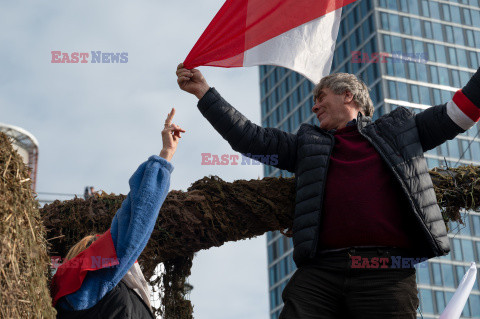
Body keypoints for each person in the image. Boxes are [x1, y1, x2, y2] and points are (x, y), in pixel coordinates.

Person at [176, 62, 480, 318]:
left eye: (321, 97)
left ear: (348, 95)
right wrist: (204, 93)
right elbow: (251, 138)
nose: (314, 105)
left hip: (386, 271)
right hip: (321, 271)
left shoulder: (400, 130)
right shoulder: (306, 144)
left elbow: (458, 113)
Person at [50, 108, 185, 319]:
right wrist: (165, 156)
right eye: (99, 244)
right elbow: (135, 223)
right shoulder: (94, 281)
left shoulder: (67, 297)